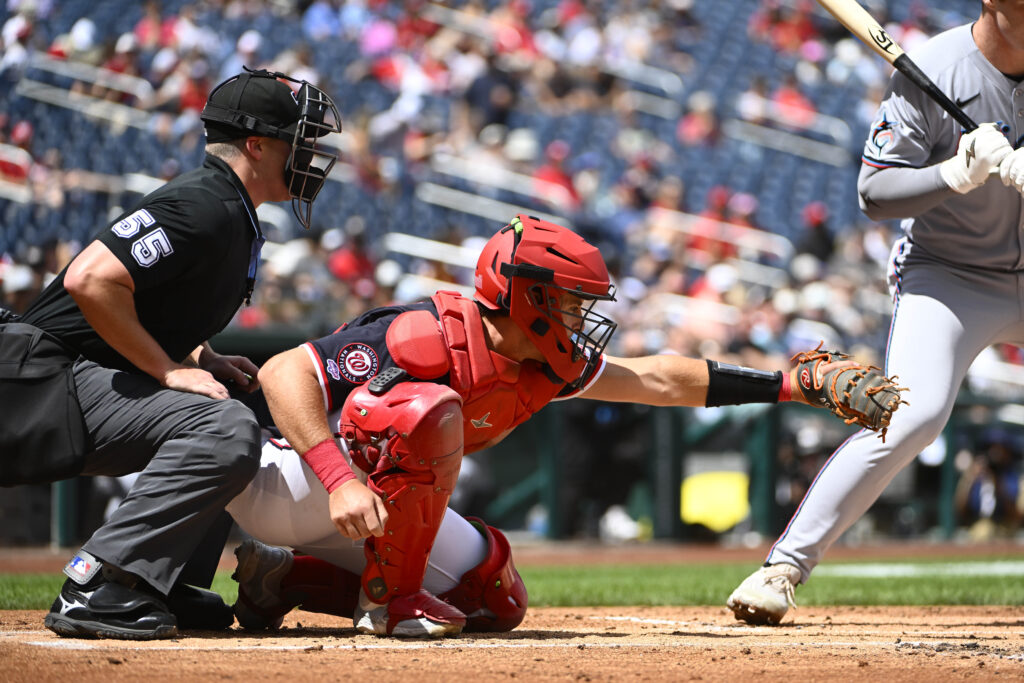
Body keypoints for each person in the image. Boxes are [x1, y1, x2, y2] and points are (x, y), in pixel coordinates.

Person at [223, 214, 864, 639]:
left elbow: (657, 379)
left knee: (497, 601)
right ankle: (389, 604)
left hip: (359, 507)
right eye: (569, 301)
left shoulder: (539, 364)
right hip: (291, 479)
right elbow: (283, 373)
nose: (580, 316)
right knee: (423, 412)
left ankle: (279, 577)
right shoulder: (425, 335)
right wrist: (337, 478)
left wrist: (785, 386)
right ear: (526, 295)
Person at [0, 68, 341, 640]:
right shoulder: (203, 203)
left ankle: (156, 581)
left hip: (63, 380)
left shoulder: (230, 207)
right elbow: (91, 280)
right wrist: (167, 369)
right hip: (32, 380)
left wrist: (201, 358)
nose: (309, 154)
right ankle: (98, 583)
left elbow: (150, 304)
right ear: (257, 145)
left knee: (229, 401)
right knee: (222, 428)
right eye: (298, 140)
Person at [727, 1, 1024, 626]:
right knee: (910, 414)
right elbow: (874, 191)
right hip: (950, 275)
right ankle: (783, 567)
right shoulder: (935, 68)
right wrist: (956, 172)